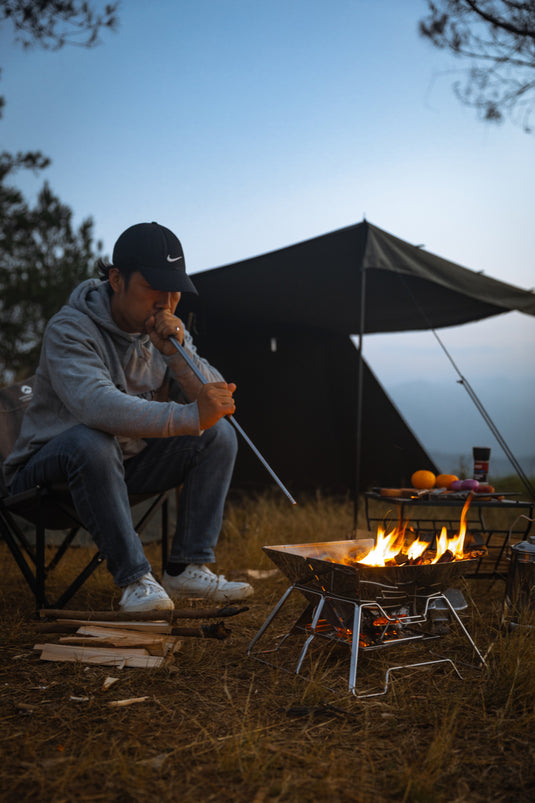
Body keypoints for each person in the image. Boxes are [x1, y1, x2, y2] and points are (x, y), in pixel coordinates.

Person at [3, 222, 253, 612]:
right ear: (117, 279)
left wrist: (177, 353)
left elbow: (218, 396)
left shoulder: (165, 331)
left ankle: (186, 567)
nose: (166, 302)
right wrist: (188, 414)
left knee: (217, 434)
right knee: (92, 438)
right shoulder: (69, 328)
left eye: (175, 291)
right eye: (154, 286)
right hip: (46, 479)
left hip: (121, 466)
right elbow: (96, 406)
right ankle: (135, 580)